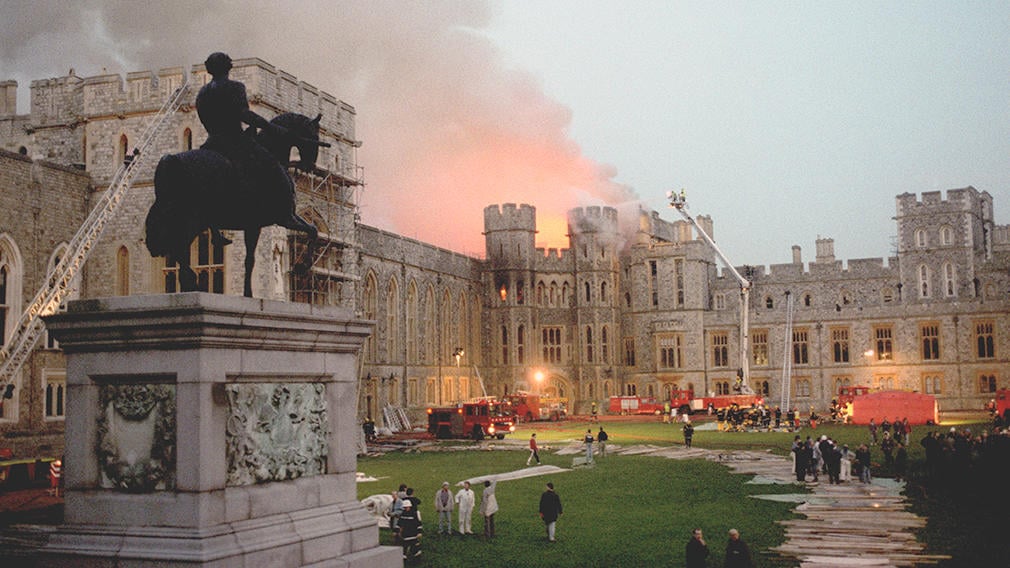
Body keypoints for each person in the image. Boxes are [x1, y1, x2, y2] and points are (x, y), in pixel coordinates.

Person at [195, 52, 293, 216]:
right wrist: (271, 127)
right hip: (235, 142)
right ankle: (271, 208)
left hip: (211, 143)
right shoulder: (235, 87)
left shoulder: (202, 92)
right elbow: (245, 115)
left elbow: (203, 117)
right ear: (228, 67)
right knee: (270, 164)